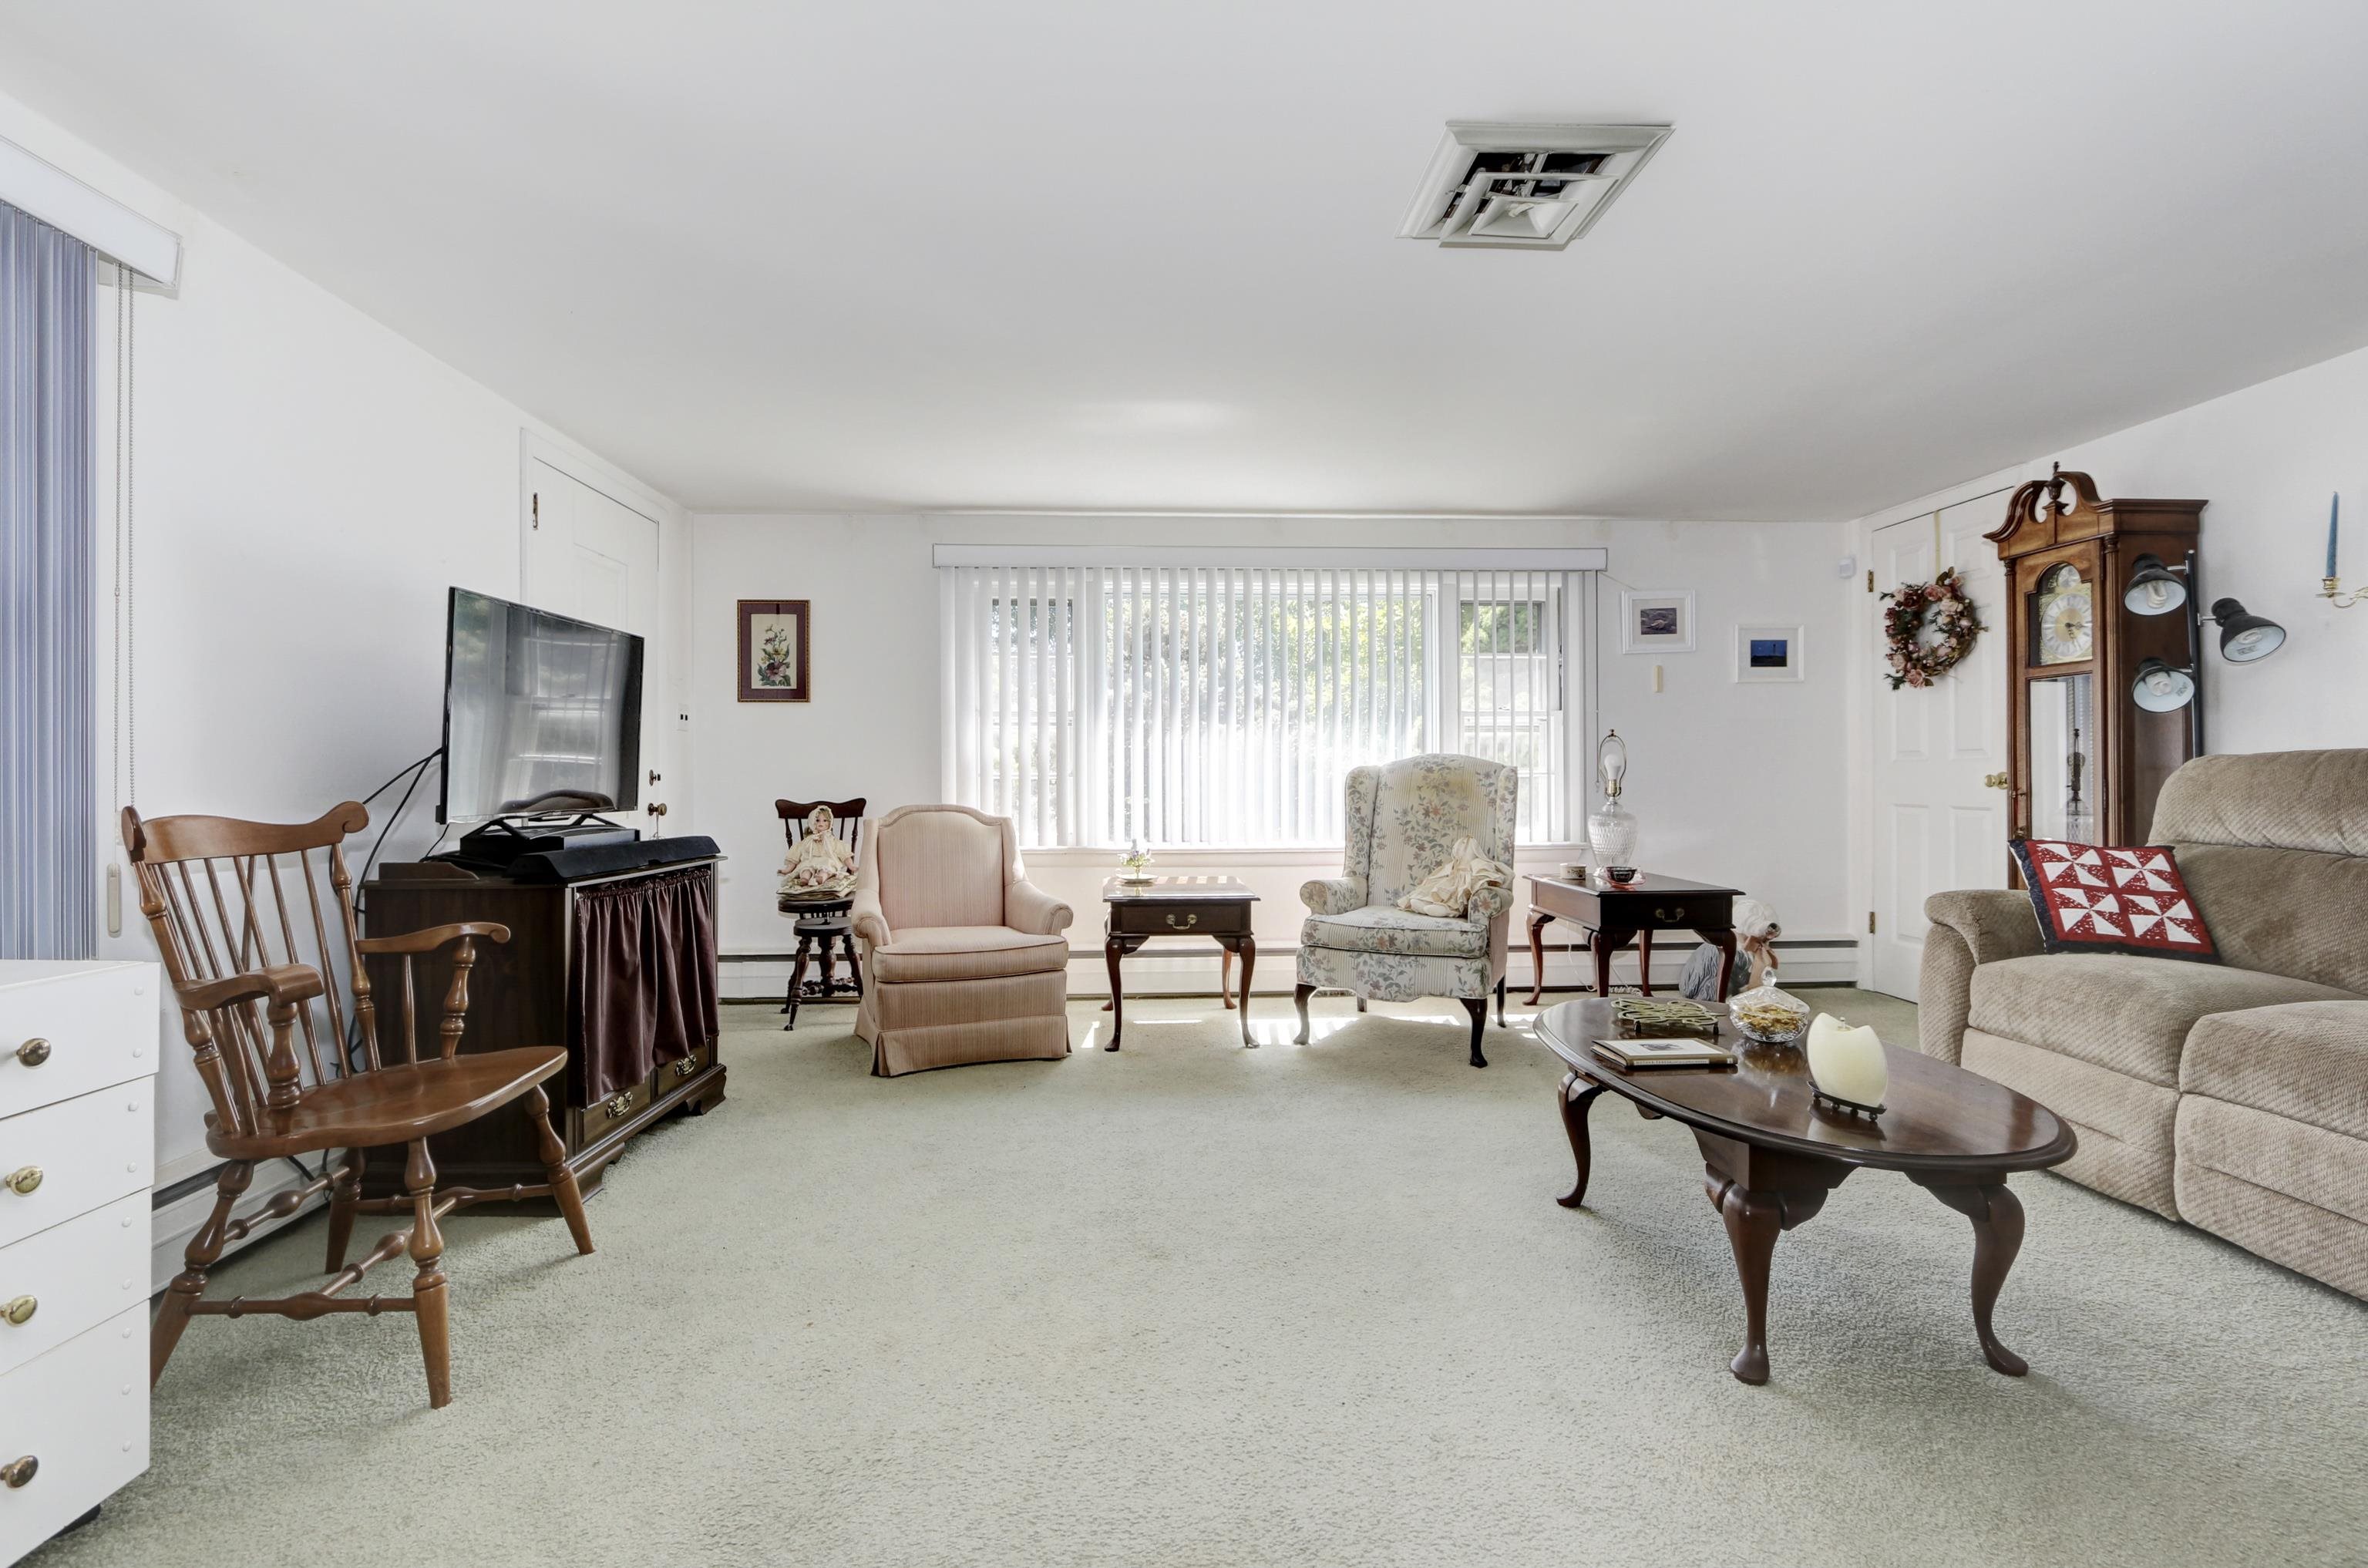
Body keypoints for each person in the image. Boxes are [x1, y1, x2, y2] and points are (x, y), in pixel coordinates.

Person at [1680, 897, 1778, 1000]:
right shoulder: (1727, 948)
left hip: (1726, 982)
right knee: (1726, 984)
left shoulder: (1747, 949)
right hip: (1707, 987)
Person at [779, 804, 857, 900]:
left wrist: (851, 866)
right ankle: (805, 879)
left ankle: (820, 878)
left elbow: (843, 853)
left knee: (826, 869)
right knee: (806, 869)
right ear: (812, 822)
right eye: (817, 820)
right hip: (810, 861)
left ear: (830, 823)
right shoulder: (808, 840)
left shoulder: (832, 840)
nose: (821, 823)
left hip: (826, 861)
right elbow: (796, 854)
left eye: (825, 820)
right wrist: (787, 870)